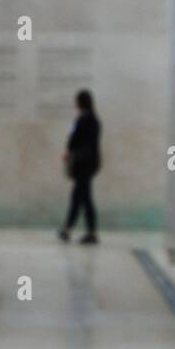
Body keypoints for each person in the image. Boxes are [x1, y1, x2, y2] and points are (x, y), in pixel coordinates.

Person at [59, 89, 100, 244]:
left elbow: (79, 142)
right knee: (84, 197)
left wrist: (70, 152)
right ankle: (86, 231)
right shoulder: (90, 120)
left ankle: (68, 229)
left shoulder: (86, 120)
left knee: (78, 197)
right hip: (87, 164)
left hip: (83, 164)